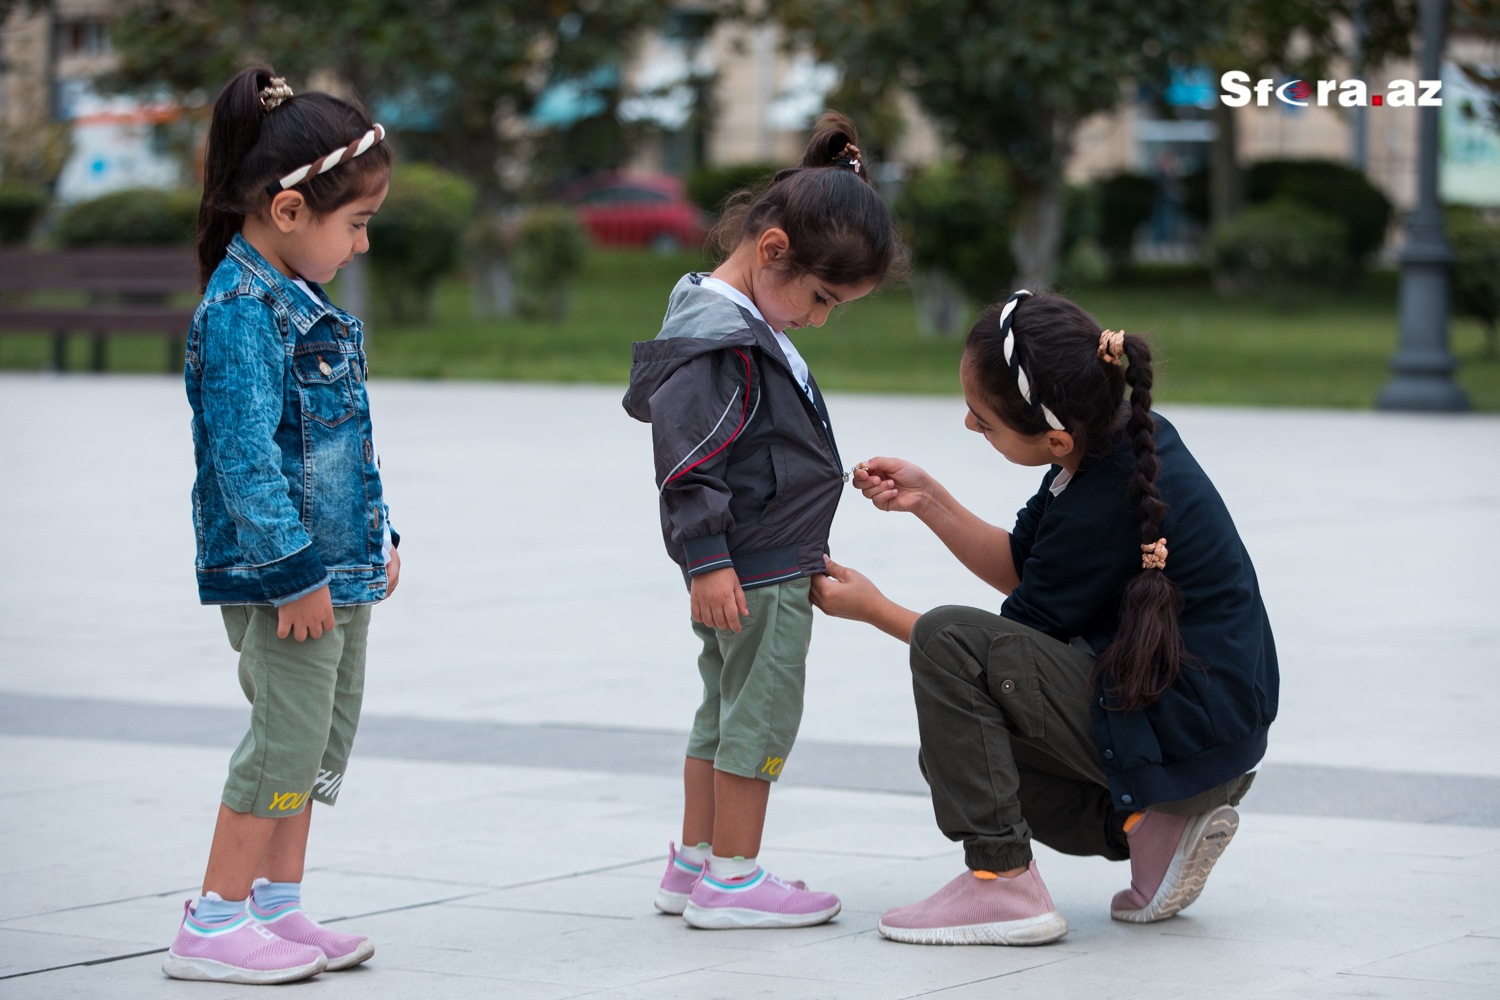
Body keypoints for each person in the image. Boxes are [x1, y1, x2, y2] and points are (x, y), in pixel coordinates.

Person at [811, 291, 1278, 945]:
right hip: (1199, 730)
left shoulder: (1105, 493)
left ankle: (1002, 884)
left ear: (1055, 435)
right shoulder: (1109, 449)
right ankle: (1154, 829)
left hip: (1185, 728)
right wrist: (929, 500)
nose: (970, 427)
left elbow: (990, 649)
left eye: (984, 420)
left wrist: (874, 610)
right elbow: (1029, 571)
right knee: (959, 752)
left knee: (952, 646)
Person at [623, 113, 907, 929]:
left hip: (749, 560)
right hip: (756, 568)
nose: (818, 319)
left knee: (722, 708)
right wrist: (706, 558)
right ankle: (735, 881)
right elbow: (686, 462)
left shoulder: (734, 322)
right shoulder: (721, 342)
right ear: (771, 248)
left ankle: (694, 864)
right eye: (819, 298)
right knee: (760, 713)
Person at [163, 67, 398, 984]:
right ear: (290, 210)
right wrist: (294, 572)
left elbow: (344, 443)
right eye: (358, 224)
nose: (364, 244)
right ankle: (213, 922)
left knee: (318, 738)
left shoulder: (303, 304)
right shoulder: (240, 314)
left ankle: (277, 907)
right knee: (282, 740)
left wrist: (379, 539)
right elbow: (245, 462)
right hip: (284, 576)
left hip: (335, 568)